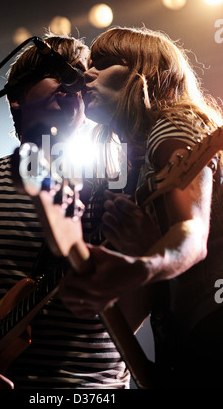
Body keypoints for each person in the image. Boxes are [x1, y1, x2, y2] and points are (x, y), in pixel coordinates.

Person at [0, 33, 130, 389]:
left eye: (79, 79)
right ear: (16, 97)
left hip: (90, 390)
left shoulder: (114, 183)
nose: (72, 87)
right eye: (58, 74)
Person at [59, 26, 223, 388]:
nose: (87, 73)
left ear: (146, 72)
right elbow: (135, 316)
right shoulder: (134, 171)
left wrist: (139, 266)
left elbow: (192, 235)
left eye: (103, 64)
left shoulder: (171, 125)